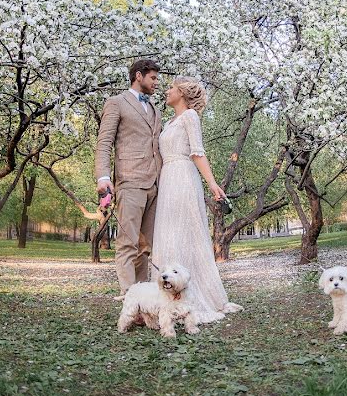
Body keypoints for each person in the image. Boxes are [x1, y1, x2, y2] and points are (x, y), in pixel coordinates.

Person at [149, 76, 242, 324]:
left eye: (171, 88)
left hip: (183, 177)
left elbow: (197, 153)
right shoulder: (170, 121)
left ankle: (192, 298)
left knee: (183, 234)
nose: (166, 91)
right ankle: (166, 298)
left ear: (183, 92)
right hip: (167, 178)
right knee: (168, 234)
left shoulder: (190, 117)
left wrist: (213, 185)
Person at [94, 59, 162, 297]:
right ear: (138, 76)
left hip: (155, 183)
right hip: (130, 181)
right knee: (127, 244)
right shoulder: (116, 103)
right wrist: (103, 176)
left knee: (145, 247)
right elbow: (104, 142)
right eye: (153, 78)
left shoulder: (156, 109)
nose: (156, 83)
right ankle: (129, 299)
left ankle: (143, 299)